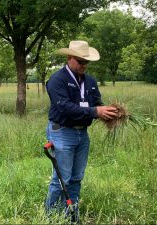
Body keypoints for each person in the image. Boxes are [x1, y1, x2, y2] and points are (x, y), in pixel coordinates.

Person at [45, 40, 117, 223]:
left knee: (76, 177)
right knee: (61, 178)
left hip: (82, 134)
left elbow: (97, 104)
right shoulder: (56, 80)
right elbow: (65, 108)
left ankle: (70, 214)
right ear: (70, 58)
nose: (84, 65)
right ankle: (51, 217)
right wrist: (95, 112)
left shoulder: (91, 82)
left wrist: (111, 112)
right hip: (62, 132)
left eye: (87, 62)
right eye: (80, 61)